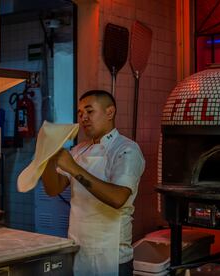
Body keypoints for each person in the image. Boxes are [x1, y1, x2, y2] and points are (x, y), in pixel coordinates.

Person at [42, 90, 145, 276]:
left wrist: (73, 168)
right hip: (79, 249)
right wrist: (48, 157)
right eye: (80, 113)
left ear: (110, 112)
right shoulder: (79, 150)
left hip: (112, 255)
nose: (83, 118)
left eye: (90, 111)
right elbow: (53, 189)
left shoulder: (127, 150)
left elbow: (118, 198)